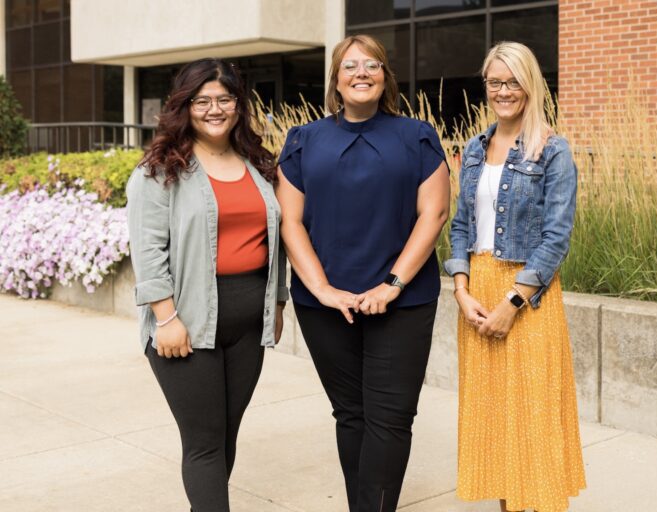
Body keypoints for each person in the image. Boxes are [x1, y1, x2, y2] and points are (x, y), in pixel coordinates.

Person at [275, 34, 450, 512]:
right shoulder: (303, 140)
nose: (361, 73)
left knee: (390, 418)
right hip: (325, 306)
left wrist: (391, 285)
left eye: (372, 65)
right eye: (350, 66)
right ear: (336, 80)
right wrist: (324, 289)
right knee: (351, 415)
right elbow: (289, 221)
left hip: (403, 304)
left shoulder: (416, 135)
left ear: (384, 76)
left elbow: (432, 215)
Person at [126, 58, 287, 512]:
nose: (214, 109)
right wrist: (166, 318)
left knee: (225, 435)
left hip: (248, 321)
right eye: (202, 101)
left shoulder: (258, 163)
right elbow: (148, 250)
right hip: (187, 322)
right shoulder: (160, 170)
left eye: (224, 99)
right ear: (185, 106)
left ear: (238, 105)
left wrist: (276, 303)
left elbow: (277, 239)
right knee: (203, 442)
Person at [444, 42, 587, 512]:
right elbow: (462, 225)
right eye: (495, 82)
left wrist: (513, 303)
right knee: (496, 423)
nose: (503, 91)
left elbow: (556, 238)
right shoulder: (473, 148)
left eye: (512, 82)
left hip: (528, 297)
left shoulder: (553, 150)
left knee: (533, 418)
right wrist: (461, 291)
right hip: (478, 291)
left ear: (530, 85)